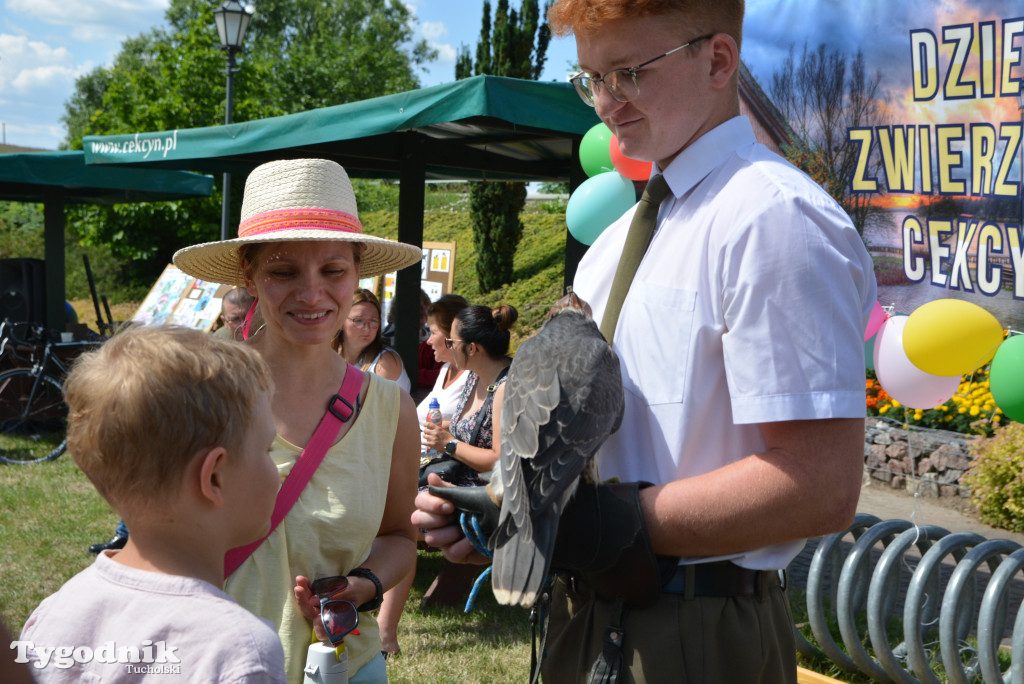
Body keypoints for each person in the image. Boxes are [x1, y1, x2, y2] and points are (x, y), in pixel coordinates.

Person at [414, 2, 877, 682]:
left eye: (629, 72)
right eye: (592, 77)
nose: (605, 100)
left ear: (718, 60)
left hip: (695, 630)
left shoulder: (773, 221)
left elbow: (821, 486)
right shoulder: (613, 246)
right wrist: (509, 509)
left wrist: (616, 523)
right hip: (583, 614)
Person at [173, 158, 422, 684]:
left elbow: (400, 535)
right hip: (211, 665)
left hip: (342, 667)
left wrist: (367, 584)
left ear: (358, 275)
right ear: (249, 274)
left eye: (333, 271)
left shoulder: (389, 409)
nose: (311, 293)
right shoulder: (196, 394)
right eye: (284, 272)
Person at [19, 325, 286, 683]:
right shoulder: (240, 654)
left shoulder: (53, 614)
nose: (278, 471)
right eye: (268, 450)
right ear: (214, 478)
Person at [87, 285, 259, 555]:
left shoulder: (262, 340)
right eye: (233, 319)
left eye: (244, 317)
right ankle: (128, 535)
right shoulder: (218, 340)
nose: (240, 324)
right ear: (224, 319)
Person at [420, 304, 517, 484]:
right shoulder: (474, 376)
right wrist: (435, 428)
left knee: (417, 506)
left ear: (471, 349)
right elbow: (470, 427)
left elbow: (499, 459)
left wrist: (449, 444)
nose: (450, 347)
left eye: (452, 342)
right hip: (454, 478)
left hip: (480, 494)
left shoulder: (506, 387)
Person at [333, 288, 412, 392]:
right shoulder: (329, 354)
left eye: (373, 321)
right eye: (359, 320)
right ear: (341, 321)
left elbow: (374, 408)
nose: (367, 328)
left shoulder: (384, 363)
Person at [415, 295, 473, 427]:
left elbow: (472, 426)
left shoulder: (474, 375)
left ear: (452, 336)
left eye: (433, 333)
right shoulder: (445, 369)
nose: (429, 341)